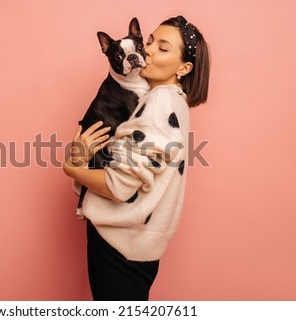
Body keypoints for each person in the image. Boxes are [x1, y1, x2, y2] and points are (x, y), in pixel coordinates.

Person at [63, 15, 210, 300]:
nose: (149, 51)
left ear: (184, 67)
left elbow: (118, 186)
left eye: (163, 48)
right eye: (151, 42)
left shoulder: (158, 102)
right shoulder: (170, 99)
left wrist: (73, 166)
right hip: (137, 241)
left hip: (120, 240)